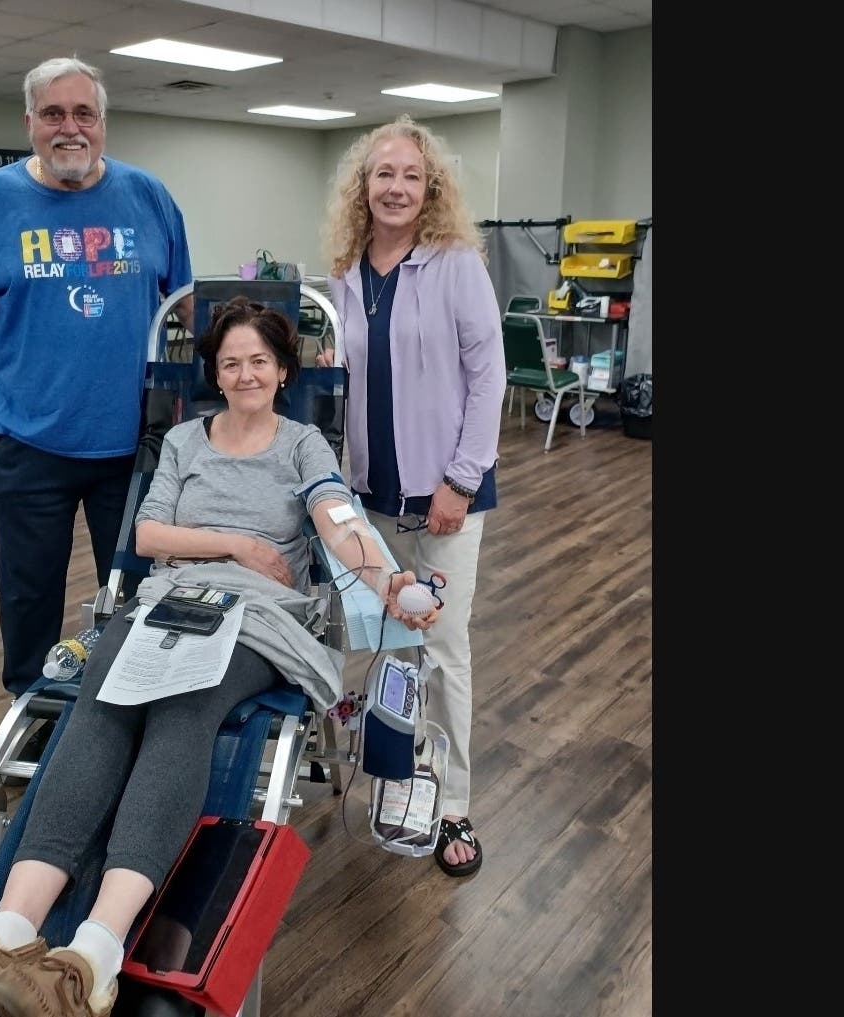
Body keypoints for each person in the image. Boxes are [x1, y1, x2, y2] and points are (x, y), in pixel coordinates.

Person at [0, 297, 436, 1017]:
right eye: (230, 363)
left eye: (259, 361)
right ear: (214, 373)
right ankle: (4, 935)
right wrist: (239, 543)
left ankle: (91, 955)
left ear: (283, 370)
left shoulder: (303, 443)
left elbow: (338, 521)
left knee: (184, 711)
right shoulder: (186, 439)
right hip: (166, 601)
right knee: (100, 706)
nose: (245, 374)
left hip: (255, 616)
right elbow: (150, 535)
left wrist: (394, 581)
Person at [0, 55, 196, 696]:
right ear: (30, 122)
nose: (69, 128)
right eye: (54, 114)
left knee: (139, 592)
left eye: (84, 113)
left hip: (135, 442)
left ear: (103, 123)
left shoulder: (148, 196)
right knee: (29, 598)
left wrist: (265, 356)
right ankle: (30, 714)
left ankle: (131, 709)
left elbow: (192, 307)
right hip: (28, 439)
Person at [316, 115, 506, 879]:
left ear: (430, 190)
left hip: (447, 492)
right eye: (382, 174)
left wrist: (461, 479)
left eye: (411, 176)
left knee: (444, 644)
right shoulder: (344, 270)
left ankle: (453, 799)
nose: (395, 187)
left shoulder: (455, 262)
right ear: (364, 187)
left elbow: (488, 375)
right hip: (373, 492)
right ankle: (405, 775)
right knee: (394, 640)